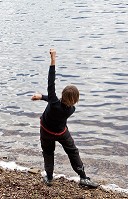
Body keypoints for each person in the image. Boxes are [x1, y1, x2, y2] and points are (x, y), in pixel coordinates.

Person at [31, 49, 99, 188]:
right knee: (72, 151)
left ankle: (49, 177)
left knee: (48, 152)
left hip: (46, 131)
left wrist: (53, 59)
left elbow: (51, 82)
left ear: (62, 94)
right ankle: (83, 177)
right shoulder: (71, 110)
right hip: (61, 133)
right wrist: (42, 97)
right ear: (75, 100)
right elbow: (52, 100)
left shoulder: (54, 102)